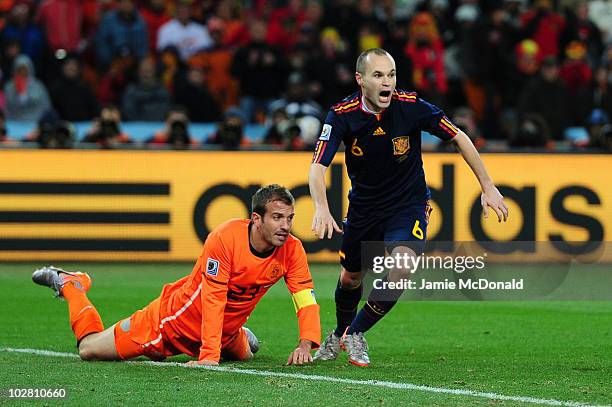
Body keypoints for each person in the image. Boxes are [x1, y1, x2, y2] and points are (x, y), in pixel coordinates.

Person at [309, 48, 508, 367]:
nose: (387, 82)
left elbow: (459, 137)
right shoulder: (342, 114)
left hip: (408, 204)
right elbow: (318, 165)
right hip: (364, 209)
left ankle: (356, 334)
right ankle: (340, 332)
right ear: (361, 80)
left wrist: (488, 186)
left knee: (401, 266)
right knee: (350, 279)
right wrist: (321, 206)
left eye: (391, 75)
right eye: (378, 75)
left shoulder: (411, 106)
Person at [32, 185, 320, 366]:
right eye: (277, 217)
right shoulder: (225, 238)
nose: (286, 226)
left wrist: (305, 344)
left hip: (222, 331)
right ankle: (73, 286)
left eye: (290, 218)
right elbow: (213, 297)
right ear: (256, 219)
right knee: (89, 350)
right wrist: (209, 356)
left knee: (245, 356)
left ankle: (239, 336)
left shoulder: (292, 250)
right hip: (172, 322)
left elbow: (305, 299)